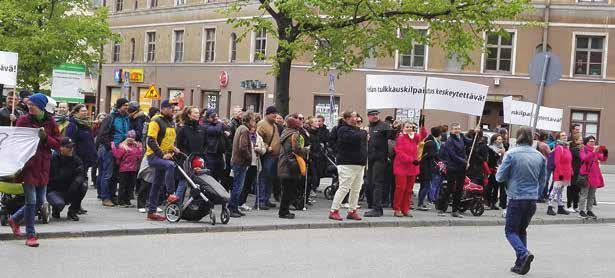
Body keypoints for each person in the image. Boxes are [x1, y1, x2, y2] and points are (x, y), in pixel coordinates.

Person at [7, 93, 61, 247]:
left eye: (33, 105)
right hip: (28, 166)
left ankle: (14, 219)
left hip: (44, 166)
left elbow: (57, 143)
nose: (30, 107)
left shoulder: (50, 121)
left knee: (39, 202)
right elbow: (15, 140)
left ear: (42, 106)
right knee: (31, 201)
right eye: (29, 105)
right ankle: (31, 235)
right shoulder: (23, 120)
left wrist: (45, 137)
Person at [496, 127, 546, 275]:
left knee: (510, 231)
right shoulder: (539, 156)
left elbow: (500, 177)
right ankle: (520, 263)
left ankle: (523, 254)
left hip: (516, 197)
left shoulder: (511, 154)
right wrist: (537, 193)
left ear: (517, 138)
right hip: (531, 198)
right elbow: (542, 180)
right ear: (531, 138)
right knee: (521, 230)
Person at [328, 111, 367, 221]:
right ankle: (334, 210)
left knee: (356, 189)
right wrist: (364, 132)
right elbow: (354, 138)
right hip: (347, 163)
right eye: (354, 117)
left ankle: (352, 210)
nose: (357, 119)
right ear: (346, 118)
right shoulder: (342, 129)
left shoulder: (356, 130)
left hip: (359, 163)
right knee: (344, 188)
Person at [145, 100, 178, 221]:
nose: (173, 110)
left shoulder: (170, 122)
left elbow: (167, 139)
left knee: (157, 184)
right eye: (170, 108)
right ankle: (170, 194)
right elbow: (151, 140)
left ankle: (151, 212)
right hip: (154, 156)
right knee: (170, 166)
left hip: (165, 154)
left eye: (174, 108)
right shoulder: (156, 121)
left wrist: (173, 148)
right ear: (163, 108)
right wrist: (162, 155)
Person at [96, 98, 130, 207]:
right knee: (107, 174)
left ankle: (112, 196)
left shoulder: (126, 118)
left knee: (115, 175)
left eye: (127, 105)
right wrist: (110, 147)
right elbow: (102, 134)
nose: (127, 107)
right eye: (125, 105)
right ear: (119, 106)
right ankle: (105, 197)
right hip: (109, 150)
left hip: (120, 150)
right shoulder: (110, 117)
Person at [47, 138, 87, 221]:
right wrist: (71, 175)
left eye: (72, 147)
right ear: (61, 148)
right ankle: (56, 209)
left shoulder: (76, 159)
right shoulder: (54, 159)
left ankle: (72, 211)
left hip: (70, 188)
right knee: (59, 204)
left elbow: (82, 175)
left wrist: (76, 182)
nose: (71, 149)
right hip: (55, 189)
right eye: (68, 147)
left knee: (83, 185)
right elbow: (55, 178)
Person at [276, 114, 308, 219]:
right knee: (288, 190)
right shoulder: (295, 135)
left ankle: (284, 210)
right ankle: (284, 212)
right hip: (291, 164)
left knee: (286, 189)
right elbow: (296, 149)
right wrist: (306, 150)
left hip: (284, 163)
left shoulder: (285, 132)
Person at [364, 109, 394, 217]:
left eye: (376, 114)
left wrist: (395, 128)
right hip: (370, 158)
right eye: (373, 115)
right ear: (368, 116)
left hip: (380, 159)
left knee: (377, 183)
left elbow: (391, 135)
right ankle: (374, 206)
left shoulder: (384, 126)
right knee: (370, 183)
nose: (375, 116)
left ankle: (377, 208)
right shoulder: (368, 127)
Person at [438, 122, 471, 218]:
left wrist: (476, 134)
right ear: (451, 130)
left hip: (461, 167)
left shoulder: (461, 136)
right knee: (450, 187)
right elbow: (453, 155)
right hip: (452, 167)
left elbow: (470, 142)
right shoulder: (449, 141)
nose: (457, 130)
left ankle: (455, 210)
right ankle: (441, 208)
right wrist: (465, 162)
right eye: (455, 128)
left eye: (458, 128)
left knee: (460, 188)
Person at [392, 122, 424, 217]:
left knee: (409, 190)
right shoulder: (400, 138)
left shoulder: (414, 138)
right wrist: (411, 160)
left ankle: (405, 209)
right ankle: (397, 208)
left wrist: (422, 125)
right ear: (403, 128)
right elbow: (400, 152)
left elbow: (423, 136)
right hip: (401, 167)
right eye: (407, 127)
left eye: (411, 127)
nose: (409, 128)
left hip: (412, 168)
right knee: (401, 188)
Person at [229, 112, 256, 217]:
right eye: (253, 120)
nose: (254, 123)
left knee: (237, 185)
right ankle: (232, 208)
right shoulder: (244, 130)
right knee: (238, 186)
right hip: (241, 162)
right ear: (248, 120)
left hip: (237, 161)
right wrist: (249, 157)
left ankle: (234, 207)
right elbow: (243, 147)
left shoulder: (240, 128)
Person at [65, 104, 97, 190]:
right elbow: (70, 142)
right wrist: (74, 158)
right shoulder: (72, 125)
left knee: (82, 182)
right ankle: (73, 200)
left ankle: (76, 202)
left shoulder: (86, 124)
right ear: (76, 113)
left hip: (86, 159)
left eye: (86, 111)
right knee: (77, 181)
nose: (85, 112)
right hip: (77, 159)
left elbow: (89, 141)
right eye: (83, 111)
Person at [255, 106, 281, 209]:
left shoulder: (274, 125)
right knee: (264, 178)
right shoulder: (262, 124)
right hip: (267, 155)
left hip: (274, 156)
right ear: (268, 114)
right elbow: (257, 138)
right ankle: (260, 200)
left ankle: (266, 199)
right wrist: (266, 147)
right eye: (273, 113)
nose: (275, 115)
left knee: (270, 178)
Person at [578, 136, 608, 219]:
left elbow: (603, 158)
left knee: (592, 195)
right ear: (586, 142)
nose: (593, 143)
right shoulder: (583, 150)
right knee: (584, 194)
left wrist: (605, 151)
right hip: (586, 175)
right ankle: (581, 211)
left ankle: (589, 210)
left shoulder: (596, 151)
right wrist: (593, 152)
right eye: (591, 141)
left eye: (594, 141)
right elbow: (584, 158)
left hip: (595, 176)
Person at [111, 130, 143, 208]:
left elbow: (139, 156)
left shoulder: (136, 146)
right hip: (124, 169)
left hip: (133, 169)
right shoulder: (123, 146)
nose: (131, 139)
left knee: (130, 185)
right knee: (123, 185)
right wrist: (113, 146)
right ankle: (121, 201)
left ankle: (127, 200)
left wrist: (140, 148)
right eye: (129, 137)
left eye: (132, 137)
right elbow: (118, 155)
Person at [547, 131, 572, 216]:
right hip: (560, 173)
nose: (565, 136)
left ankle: (560, 207)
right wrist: (560, 173)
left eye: (565, 135)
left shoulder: (566, 147)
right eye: (562, 135)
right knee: (554, 190)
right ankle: (549, 207)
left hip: (566, 172)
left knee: (560, 191)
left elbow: (569, 161)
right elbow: (557, 162)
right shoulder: (559, 147)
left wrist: (570, 170)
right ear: (558, 138)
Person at [418, 127, 442, 211]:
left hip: (423, 166)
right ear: (439, 134)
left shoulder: (427, 140)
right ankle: (420, 203)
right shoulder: (431, 143)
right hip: (426, 167)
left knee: (423, 185)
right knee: (426, 185)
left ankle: (420, 203)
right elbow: (431, 155)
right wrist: (438, 156)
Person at [202, 109, 228, 182]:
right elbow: (217, 130)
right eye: (213, 116)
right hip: (210, 155)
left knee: (219, 176)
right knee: (211, 177)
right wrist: (219, 122)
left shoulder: (216, 125)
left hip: (219, 154)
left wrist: (227, 132)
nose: (215, 118)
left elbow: (227, 129)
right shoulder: (205, 126)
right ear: (208, 118)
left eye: (216, 116)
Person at [487, 134, 507, 210]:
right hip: (493, 169)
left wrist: (503, 153)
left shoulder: (502, 148)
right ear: (494, 140)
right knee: (492, 186)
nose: (500, 141)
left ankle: (495, 202)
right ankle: (489, 202)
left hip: (500, 169)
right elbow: (491, 160)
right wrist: (499, 154)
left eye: (501, 139)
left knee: (497, 187)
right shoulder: (491, 148)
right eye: (499, 139)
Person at [568, 134, 584, 213]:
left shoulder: (581, 149)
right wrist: (581, 150)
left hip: (580, 172)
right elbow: (580, 156)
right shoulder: (573, 149)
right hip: (573, 171)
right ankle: (569, 205)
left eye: (582, 140)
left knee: (577, 189)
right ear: (576, 141)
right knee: (571, 189)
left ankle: (575, 206)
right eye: (580, 140)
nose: (582, 142)